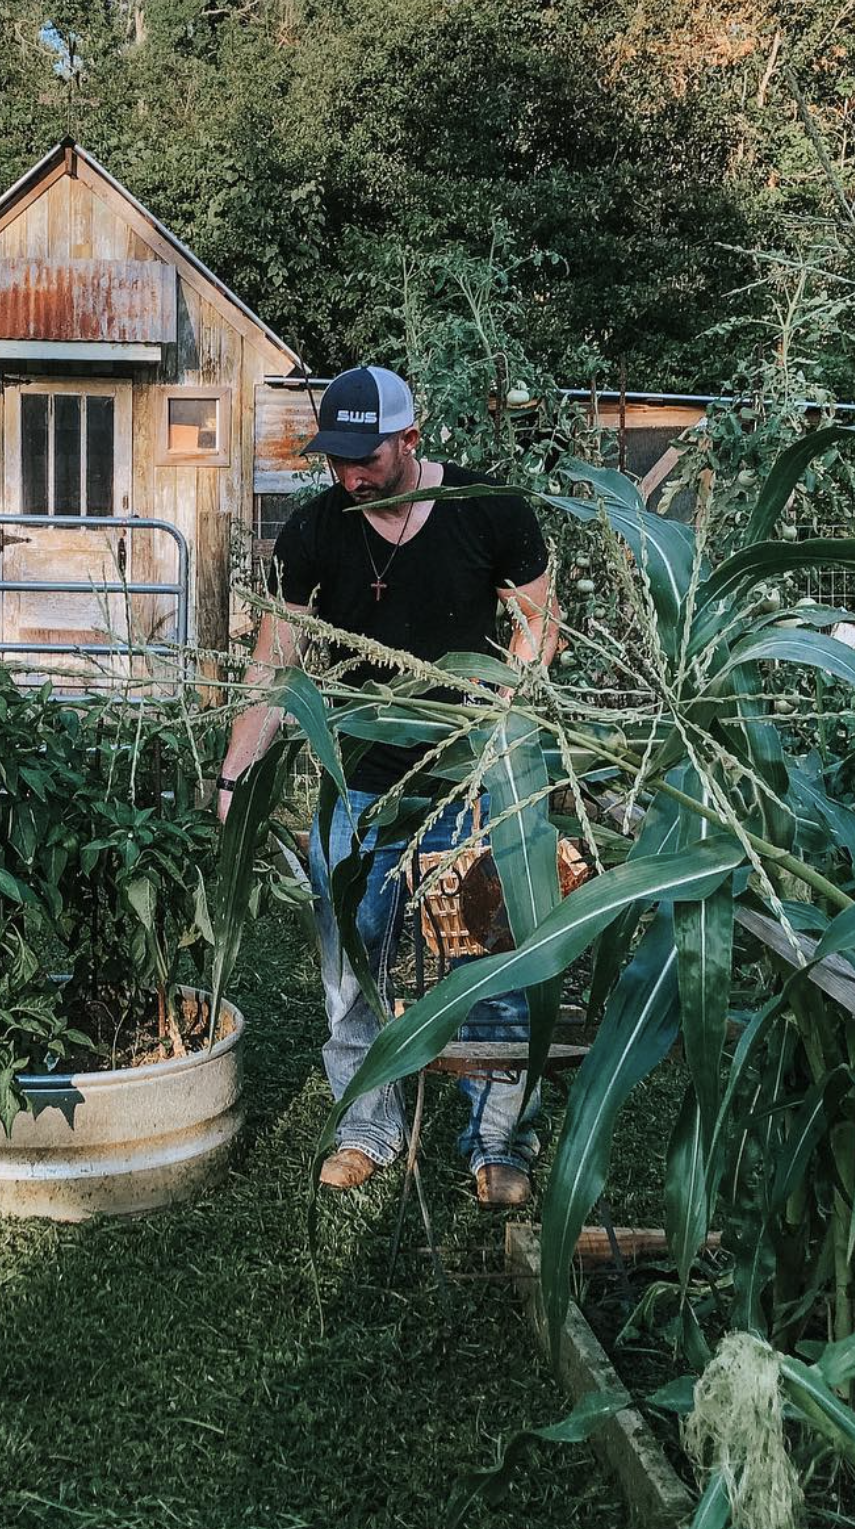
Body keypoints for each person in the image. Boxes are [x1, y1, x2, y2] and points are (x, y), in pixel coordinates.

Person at [216, 366, 560, 1207]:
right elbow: (273, 665)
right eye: (336, 460)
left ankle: (496, 1137)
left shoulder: (490, 510)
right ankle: (367, 1123)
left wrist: (499, 723)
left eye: (365, 458)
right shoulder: (314, 531)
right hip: (360, 782)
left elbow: (538, 628)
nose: (350, 477)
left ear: (410, 438)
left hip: (471, 776)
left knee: (490, 948)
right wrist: (236, 777)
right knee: (350, 951)